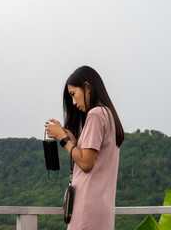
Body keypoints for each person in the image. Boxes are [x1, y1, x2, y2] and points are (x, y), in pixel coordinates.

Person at [45, 66, 124, 230]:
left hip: (87, 209)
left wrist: (62, 137)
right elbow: (92, 156)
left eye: (73, 94)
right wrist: (73, 140)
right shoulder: (108, 114)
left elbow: (86, 163)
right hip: (103, 210)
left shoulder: (95, 115)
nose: (73, 102)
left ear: (87, 87)